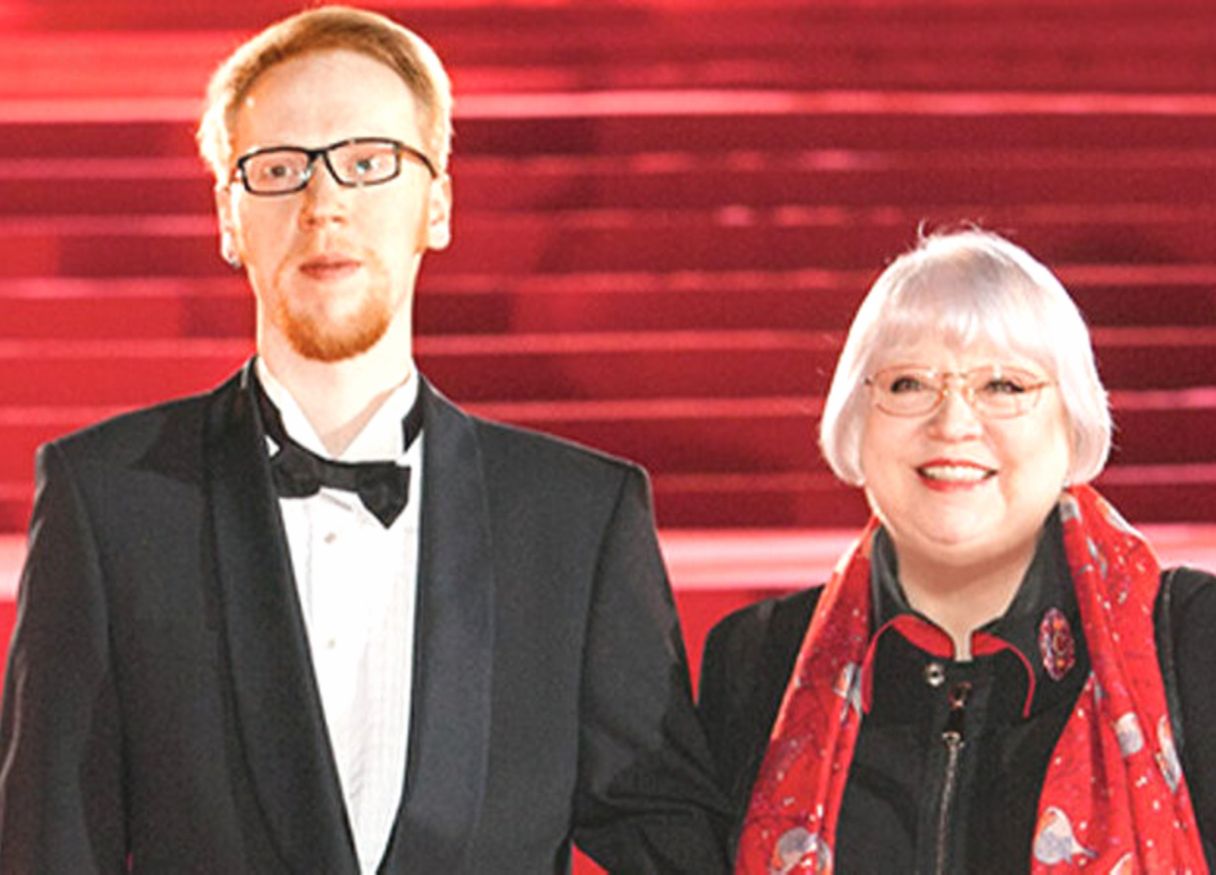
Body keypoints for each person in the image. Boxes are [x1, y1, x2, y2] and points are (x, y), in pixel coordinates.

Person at [0, 6, 730, 873]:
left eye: (368, 162)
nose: (325, 204)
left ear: (437, 204)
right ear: (228, 217)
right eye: (280, 168)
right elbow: (47, 841)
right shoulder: (107, 500)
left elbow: (669, 842)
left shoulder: (576, 519)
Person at [697, 228, 1216, 873]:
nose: (953, 423)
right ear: (855, 418)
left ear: (1071, 426)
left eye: (1004, 387)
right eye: (909, 384)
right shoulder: (759, 659)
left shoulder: (1200, 641)